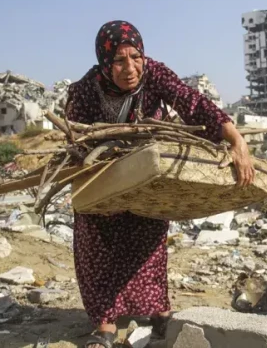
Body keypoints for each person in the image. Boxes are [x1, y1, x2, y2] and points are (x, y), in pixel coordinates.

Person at [65, 20, 255, 348]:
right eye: (119, 61)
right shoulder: (84, 90)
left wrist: (236, 139)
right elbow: (75, 138)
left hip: (148, 173)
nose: (130, 68)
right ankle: (106, 324)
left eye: (135, 57)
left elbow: (192, 103)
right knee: (96, 242)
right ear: (104, 62)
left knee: (148, 240)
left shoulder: (155, 73)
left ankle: (158, 313)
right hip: (101, 175)